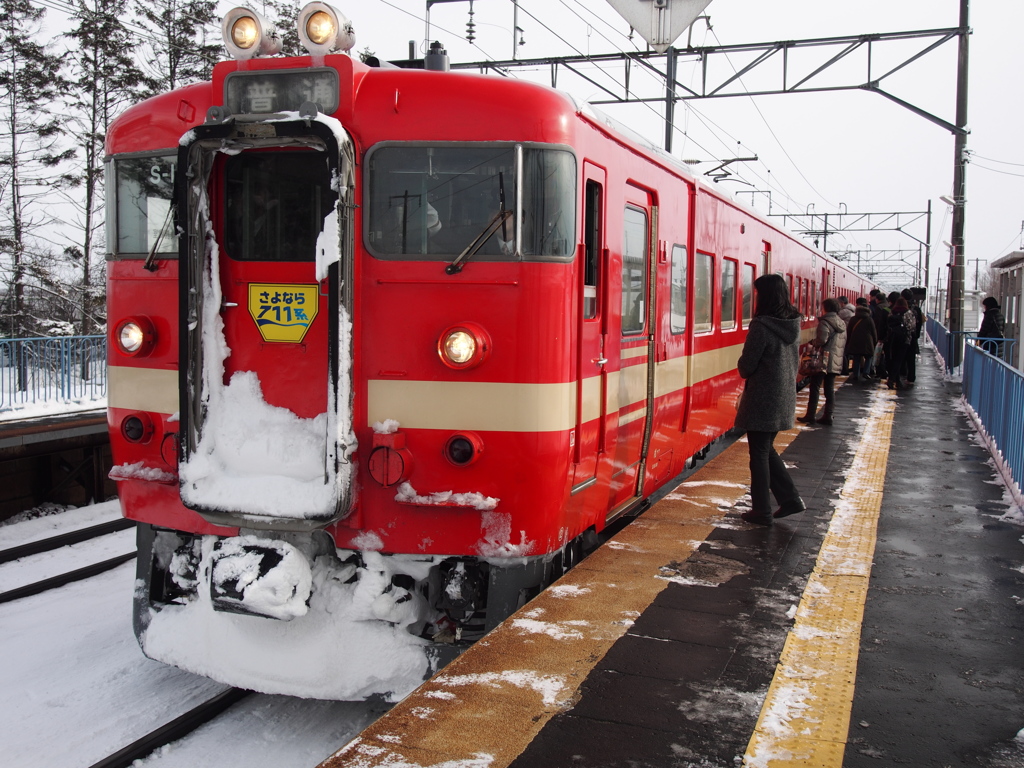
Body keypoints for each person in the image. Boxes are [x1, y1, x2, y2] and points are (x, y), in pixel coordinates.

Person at [734, 273, 806, 526]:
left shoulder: (762, 325)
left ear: (763, 295)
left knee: (759, 454)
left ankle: (762, 510)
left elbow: (747, 365)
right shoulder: (792, 323)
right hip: (783, 395)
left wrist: (743, 366)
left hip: (763, 397)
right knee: (765, 449)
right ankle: (790, 500)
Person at [798, 297, 847, 425]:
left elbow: (822, 341)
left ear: (826, 308)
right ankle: (828, 415)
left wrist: (812, 342)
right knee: (829, 389)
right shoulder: (842, 323)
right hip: (834, 360)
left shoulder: (825, 322)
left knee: (815, 387)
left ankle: (810, 415)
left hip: (822, 360)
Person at [886, 297, 917, 390]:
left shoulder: (892, 312)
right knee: (899, 360)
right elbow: (911, 327)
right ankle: (892, 380)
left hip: (892, 338)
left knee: (893, 359)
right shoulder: (908, 313)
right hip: (904, 339)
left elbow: (888, 325)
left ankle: (897, 380)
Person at [846, 297, 878, 381]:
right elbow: (873, 332)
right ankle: (866, 373)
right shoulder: (869, 319)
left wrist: (848, 341)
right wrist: (875, 341)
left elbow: (849, 331)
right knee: (869, 357)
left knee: (856, 358)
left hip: (855, 341)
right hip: (868, 341)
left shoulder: (853, 319)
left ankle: (856, 374)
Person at [901, 288, 924, 384]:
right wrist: (917, 334)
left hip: (902, 336)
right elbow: (919, 323)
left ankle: (901, 373)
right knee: (911, 358)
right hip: (913, 336)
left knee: (900, 356)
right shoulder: (917, 309)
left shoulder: (902, 307)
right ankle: (911, 377)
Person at [837, 296, 855, 374]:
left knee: (842, 353)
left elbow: (834, 318)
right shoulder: (851, 309)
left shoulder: (844, 311)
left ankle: (844, 370)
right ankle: (845, 369)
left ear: (842, 303)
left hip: (844, 333)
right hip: (848, 334)